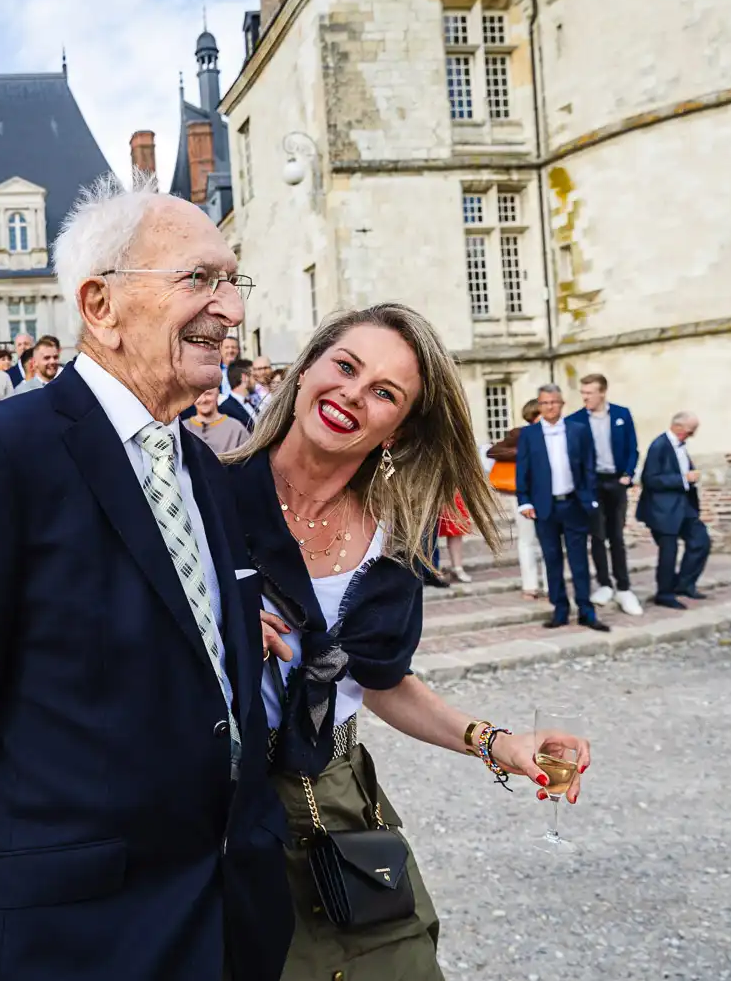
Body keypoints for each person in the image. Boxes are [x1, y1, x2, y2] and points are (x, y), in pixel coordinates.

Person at [0, 176, 291, 981]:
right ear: (100, 306)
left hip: (221, 923)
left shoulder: (202, 468)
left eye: (233, 281)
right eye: (199, 279)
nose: (230, 309)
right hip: (75, 944)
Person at [226, 304, 591, 978]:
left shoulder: (395, 536)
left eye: (384, 393)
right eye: (345, 366)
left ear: (398, 428)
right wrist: (211, 623)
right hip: (216, 805)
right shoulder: (206, 494)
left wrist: (497, 743)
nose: (352, 396)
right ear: (306, 370)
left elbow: (379, 679)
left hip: (338, 802)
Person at [516, 384, 609, 631]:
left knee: (579, 560)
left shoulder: (578, 430)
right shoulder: (529, 435)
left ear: (562, 403)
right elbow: (522, 471)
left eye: (554, 402)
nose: (549, 407)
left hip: (574, 504)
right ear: (539, 405)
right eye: (544, 403)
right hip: (544, 507)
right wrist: (524, 500)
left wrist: (590, 498)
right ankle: (560, 609)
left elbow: (589, 465)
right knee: (552, 559)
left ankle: (586, 611)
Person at [567, 373, 641, 616]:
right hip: (592, 483)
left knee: (616, 536)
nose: (585, 397)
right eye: (583, 393)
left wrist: (628, 474)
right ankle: (605, 584)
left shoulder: (622, 414)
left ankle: (624, 587)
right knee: (597, 536)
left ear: (602, 393)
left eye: (589, 393)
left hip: (617, 482)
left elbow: (633, 448)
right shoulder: (575, 420)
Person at [636, 412, 712, 609]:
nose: (692, 435)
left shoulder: (681, 447)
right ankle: (665, 593)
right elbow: (650, 480)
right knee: (669, 552)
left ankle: (684, 584)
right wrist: (684, 478)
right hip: (662, 509)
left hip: (684, 505)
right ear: (678, 427)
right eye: (690, 431)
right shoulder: (659, 446)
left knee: (701, 541)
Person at [486, 399, 545, 599]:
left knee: (549, 541)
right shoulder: (520, 434)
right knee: (527, 539)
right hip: (522, 492)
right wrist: (521, 454)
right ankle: (530, 586)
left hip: (547, 493)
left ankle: (550, 584)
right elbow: (492, 451)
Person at [183, 385, 250, 454]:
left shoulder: (236, 429)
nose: (203, 399)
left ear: (218, 393)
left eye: (208, 394)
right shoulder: (182, 429)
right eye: (198, 395)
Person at [221, 358, 258, 429]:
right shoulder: (225, 409)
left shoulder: (252, 403)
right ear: (244, 377)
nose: (255, 381)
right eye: (254, 376)